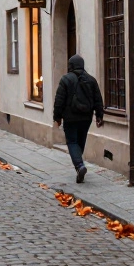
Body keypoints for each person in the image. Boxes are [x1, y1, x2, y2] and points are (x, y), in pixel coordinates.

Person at [53, 54, 104, 183]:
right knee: (80, 141)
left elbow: (59, 100)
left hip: (70, 118)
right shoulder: (91, 80)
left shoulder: (65, 79)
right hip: (86, 117)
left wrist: (57, 117)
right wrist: (99, 115)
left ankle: (79, 166)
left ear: (70, 66)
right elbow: (98, 99)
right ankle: (79, 166)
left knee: (72, 142)